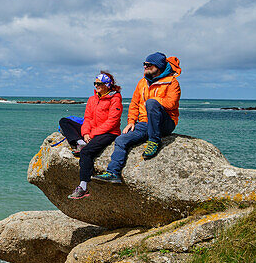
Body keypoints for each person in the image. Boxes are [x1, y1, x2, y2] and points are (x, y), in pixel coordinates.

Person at [93, 52, 182, 184]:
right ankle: (113, 173)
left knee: (152, 103)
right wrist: (131, 121)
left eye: (149, 64)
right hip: (145, 122)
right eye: (144, 64)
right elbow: (134, 103)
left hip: (165, 122)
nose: (145, 66)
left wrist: (153, 101)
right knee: (121, 139)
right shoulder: (142, 83)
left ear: (158, 66)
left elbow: (172, 103)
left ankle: (154, 141)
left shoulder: (172, 83)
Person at [57, 72, 122, 199]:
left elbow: (112, 122)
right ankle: (80, 142)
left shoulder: (115, 99)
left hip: (108, 133)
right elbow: (87, 118)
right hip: (91, 131)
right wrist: (85, 133)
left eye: (99, 83)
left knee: (86, 153)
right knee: (64, 121)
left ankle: (83, 187)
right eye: (95, 83)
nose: (96, 85)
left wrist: (92, 134)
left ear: (107, 85)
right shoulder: (92, 99)